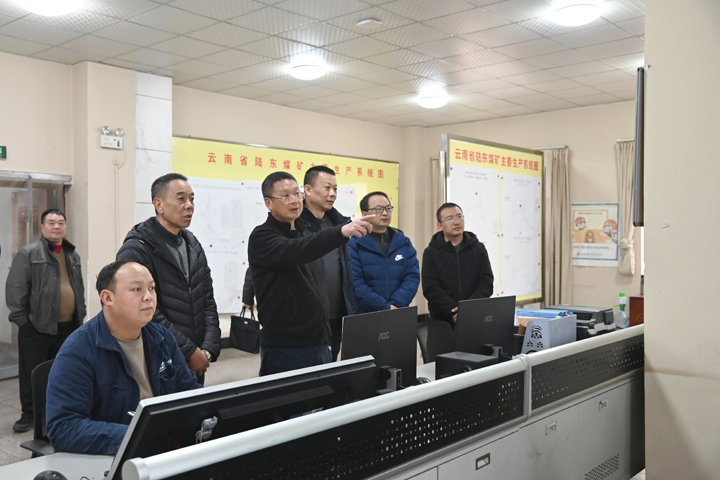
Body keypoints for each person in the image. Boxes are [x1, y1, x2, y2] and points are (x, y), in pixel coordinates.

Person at [46, 261, 202, 454]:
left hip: (164, 448)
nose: (148, 297)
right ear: (108, 298)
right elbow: (64, 428)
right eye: (137, 289)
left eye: (152, 288)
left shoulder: (162, 337)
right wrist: (137, 436)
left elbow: (190, 391)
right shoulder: (78, 351)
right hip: (116, 454)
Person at [248, 171, 373, 376]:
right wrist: (341, 232)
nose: (294, 200)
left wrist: (324, 337)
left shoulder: (303, 233)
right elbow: (295, 250)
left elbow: (318, 290)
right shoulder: (262, 236)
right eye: (285, 196)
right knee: (289, 397)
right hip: (285, 347)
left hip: (318, 343)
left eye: (296, 194)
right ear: (268, 203)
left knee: (322, 395)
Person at [117, 173, 220, 383]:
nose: (189, 206)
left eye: (192, 199)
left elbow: (207, 299)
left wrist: (207, 349)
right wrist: (188, 351)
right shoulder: (137, 248)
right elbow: (144, 309)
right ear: (159, 205)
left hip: (196, 359)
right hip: (158, 356)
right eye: (181, 199)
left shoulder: (192, 244)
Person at [5, 208, 86, 433]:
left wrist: (81, 313)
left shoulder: (72, 255)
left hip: (69, 327)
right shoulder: (28, 253)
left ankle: (55, 412)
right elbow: (15, 290)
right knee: (32, 373)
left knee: (62, 372)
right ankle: (29, 414)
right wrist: (24, 322)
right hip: (36, 327)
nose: (56, 226)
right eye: (51, 222)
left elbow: (78, 286)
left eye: (60, 222)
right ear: (42, 227)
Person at [300, 165, 356, 361]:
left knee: (331, 364)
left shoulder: (338, 223)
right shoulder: (296, 224)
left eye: (335, 189)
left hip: (336, 313)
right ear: (308, 189)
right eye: (327, 188)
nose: (332, 194)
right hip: (308, 316)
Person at [421, 203, 494, 327]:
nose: (456, 222)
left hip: (475, 317)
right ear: (440, 225)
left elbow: (486, 283)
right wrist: (454, 309)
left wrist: (467, 308)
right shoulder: (431, 252)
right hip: (442, 321)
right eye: (450, 219)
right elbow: (431, 288)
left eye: (459, 217)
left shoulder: (478, 248)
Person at [348, 192, 419, 313]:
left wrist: (396, 304)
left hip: (398, 312)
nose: (385, 213)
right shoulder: (354, 244)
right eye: (378, 209)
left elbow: (412, 277)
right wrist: (384, 307)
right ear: (364, 214)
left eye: (388, 208)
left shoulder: (403, 242)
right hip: (366, 314)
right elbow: (356, 283)